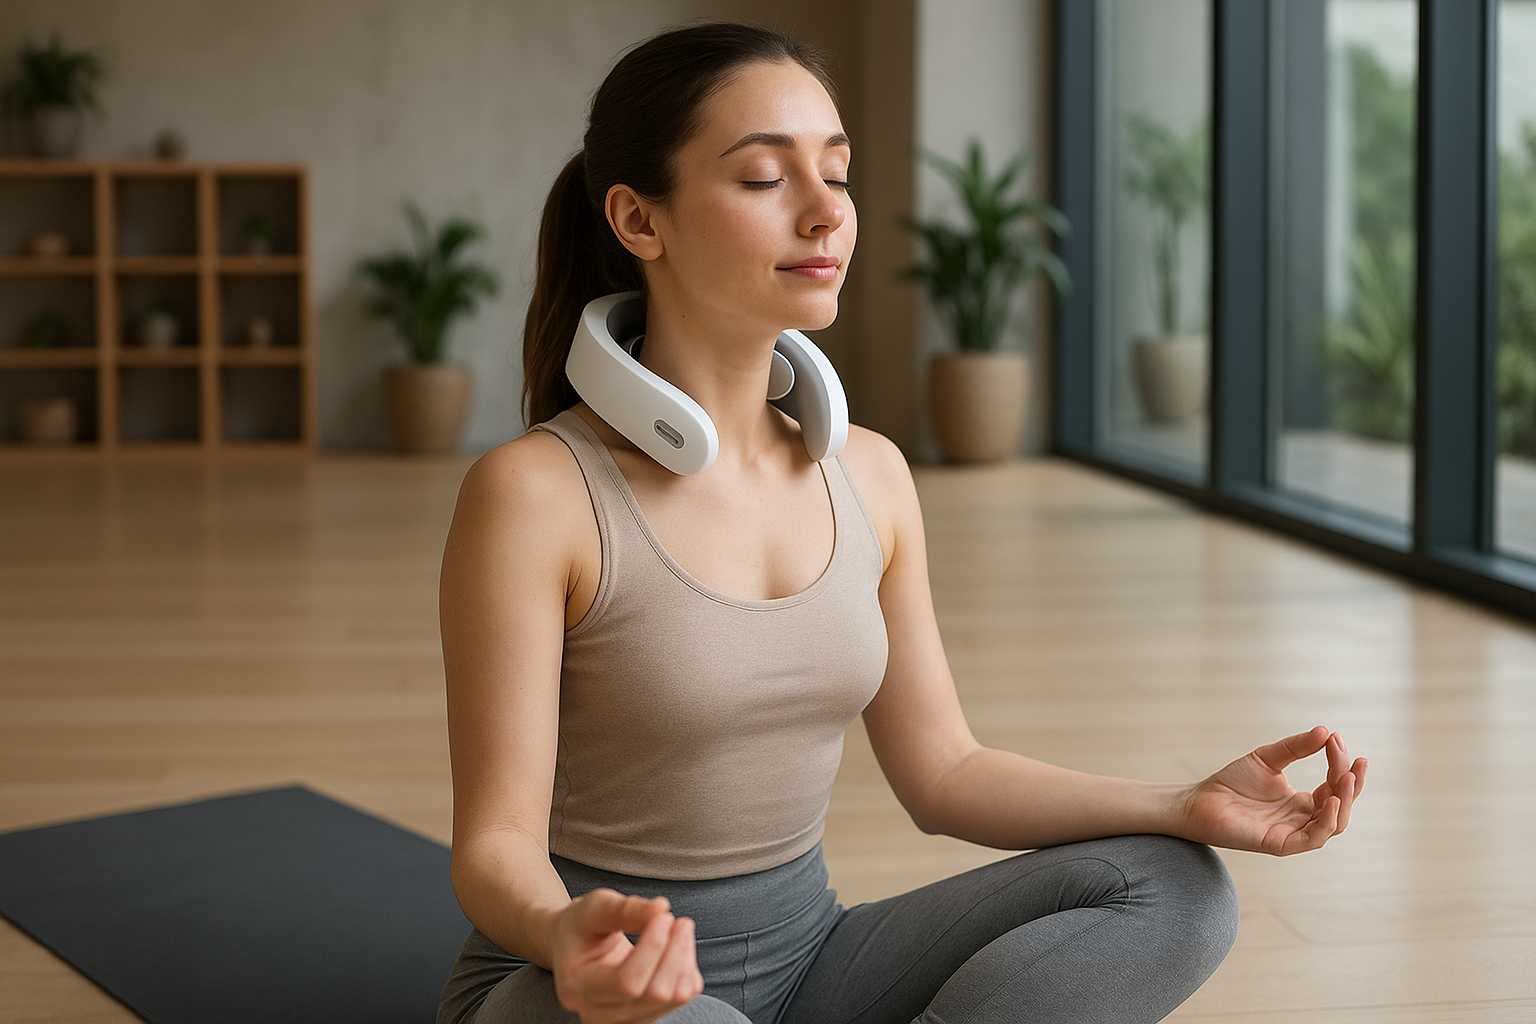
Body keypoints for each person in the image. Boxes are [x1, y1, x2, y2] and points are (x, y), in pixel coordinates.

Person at [436, 22, 1367, 1024]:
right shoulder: (535, 493)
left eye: (836, 174)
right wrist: (564, 936)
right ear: (638, 219)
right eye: (765, 177)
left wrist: (1185, 804)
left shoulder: (871, 474)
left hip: (811, 959)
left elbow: (944, 770)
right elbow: (495, 846)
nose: (825, 212)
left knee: (1176, 887)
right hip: (588, 985)